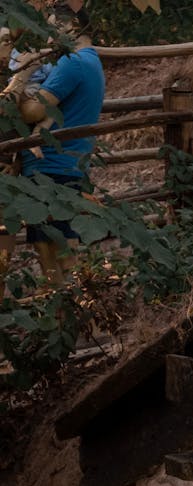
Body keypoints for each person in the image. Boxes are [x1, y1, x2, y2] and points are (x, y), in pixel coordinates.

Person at [15, 5, 105, 283]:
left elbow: (33, 112)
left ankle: (65, 319)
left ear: (73, 27)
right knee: (58, 248)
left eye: (54, 31)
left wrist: (22, 75)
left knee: (54, 253)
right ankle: (68, 316)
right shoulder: (93, 61)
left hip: (52, 165)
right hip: (66, 164)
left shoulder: (73, 62)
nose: (49, 40)